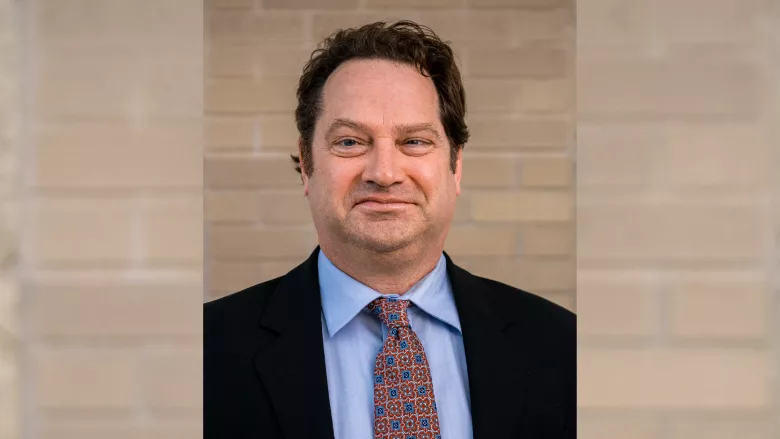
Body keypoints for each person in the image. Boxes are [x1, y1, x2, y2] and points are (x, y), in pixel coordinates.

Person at [204, 20, 575, 439]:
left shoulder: (562, 346)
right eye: (350, 142)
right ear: (306, 165)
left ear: (455, 166)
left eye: (414, 141)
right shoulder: (207, 351)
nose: (384, 173)